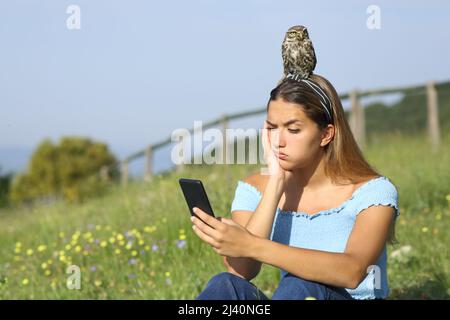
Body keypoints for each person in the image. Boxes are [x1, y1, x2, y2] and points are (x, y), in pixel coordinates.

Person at [190, 74, 399, 300]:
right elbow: (242, 270)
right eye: (272, 128)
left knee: (299, 284)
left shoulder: (372, 192)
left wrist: (251, 244)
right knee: (225, 285)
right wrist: (276, 184)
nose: (278, 140)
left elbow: (352, 271)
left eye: (293, 130)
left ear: (326, 134)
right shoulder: (254, 188)